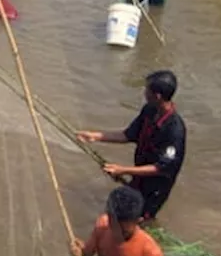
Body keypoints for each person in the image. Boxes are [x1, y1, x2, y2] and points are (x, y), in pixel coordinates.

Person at [76, 70, 187, 221]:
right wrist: (95, 136)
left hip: (154, 189)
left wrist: (123, 170)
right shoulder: (149, 110)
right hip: (138, 179)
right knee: (122, 216)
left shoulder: (175, 130)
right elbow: (127, 135)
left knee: (139, 220)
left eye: (147, 89)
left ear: (157, 96)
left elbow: (161, 168)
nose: (144, 92)